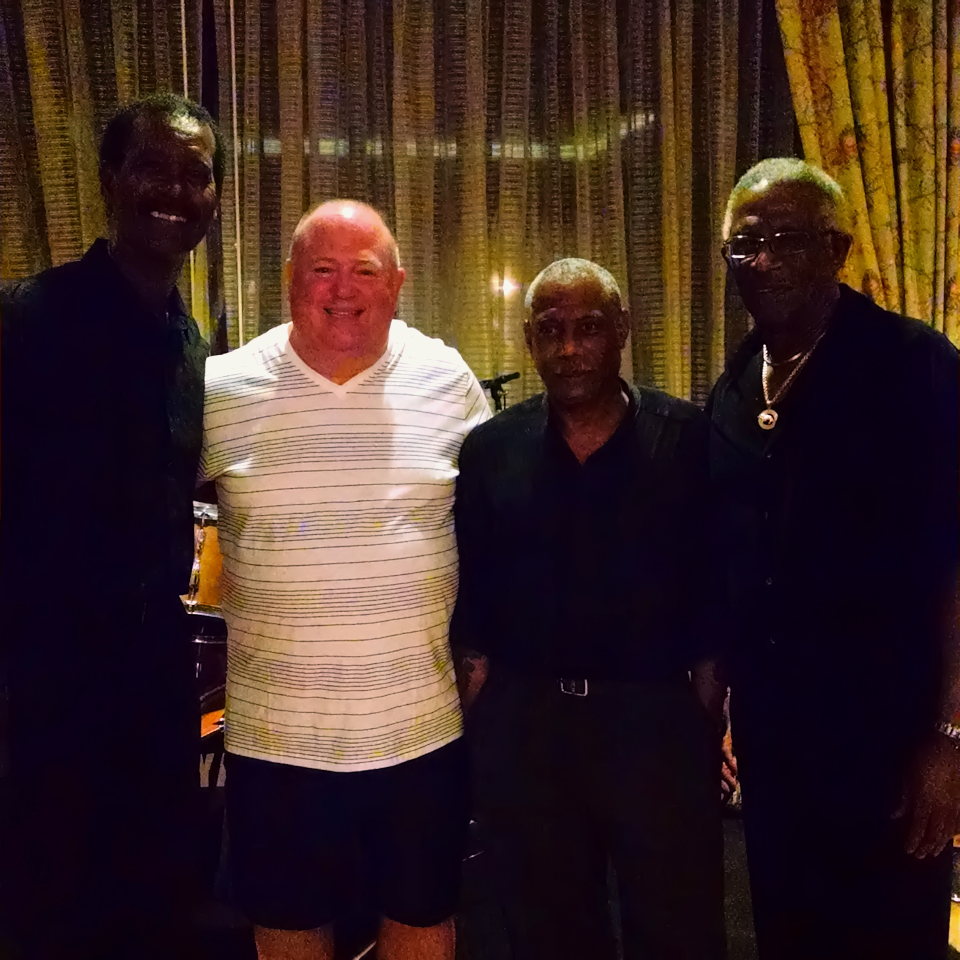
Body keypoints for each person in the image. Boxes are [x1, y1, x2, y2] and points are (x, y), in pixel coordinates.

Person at [200, 200, 490, 960]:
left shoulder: (449, 380)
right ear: (289, 280)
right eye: (321, 269)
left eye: (363, 270)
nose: (342, 289)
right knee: (289, 930)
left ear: (397, 284)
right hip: (275, 742)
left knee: (421, 922)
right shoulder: (221, 389)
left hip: (420, 735)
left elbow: (499, 527)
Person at [709, 157, 960, 959]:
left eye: (788, 240)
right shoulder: (734, 388)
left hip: (892, 748)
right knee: (786, 935)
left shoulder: (915, 365)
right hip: (777, 753)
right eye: (747, 244)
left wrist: (948, 737)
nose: (765, 261)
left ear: (837, 249)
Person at [452, 258, 727, 960]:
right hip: (530, 733)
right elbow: (475, 608)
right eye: (550, 330)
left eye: (589, 328)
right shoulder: (489, 451)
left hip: (654, 729)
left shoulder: (687, 438)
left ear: (623, 330)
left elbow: (713, 590)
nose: (569, 348)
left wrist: (705, 721)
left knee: (678, 930)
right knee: (549, 933)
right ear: (529, 340)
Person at [0, 93, 223, 959]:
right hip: (44, 682)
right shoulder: (24, 320)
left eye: (196, 175)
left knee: (158, 902)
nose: (174, 191)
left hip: (156, 679)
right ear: (109, 180)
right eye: (152, 168)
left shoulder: (191, 345)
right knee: (49, 908)